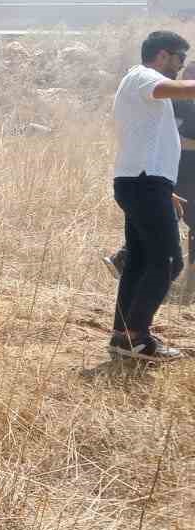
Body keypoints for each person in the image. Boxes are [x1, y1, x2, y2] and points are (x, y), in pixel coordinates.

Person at [106, 30, 195, 360]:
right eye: (179, 59)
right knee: (168, 261)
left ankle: (122, 337)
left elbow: (153, 144)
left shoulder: (140, 83)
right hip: (144, 184)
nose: (180, 67)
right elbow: (171, 88)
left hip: (144, 183)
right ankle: (137, 337)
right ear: (162, 55)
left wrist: (166, 190)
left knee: (141, 263)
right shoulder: (144, 76)